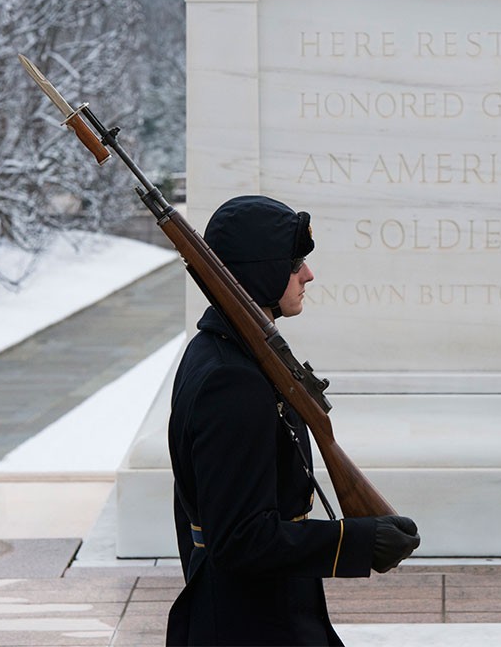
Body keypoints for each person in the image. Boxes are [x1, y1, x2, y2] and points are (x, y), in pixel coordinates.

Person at [166, 195, 420, 647]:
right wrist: (356, 540)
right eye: (295, 261)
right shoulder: (231, 380)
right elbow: (238, 540)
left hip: (262, 610)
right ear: (261, 270)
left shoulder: (218, 354)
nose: (308, 274)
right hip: (251, 626)